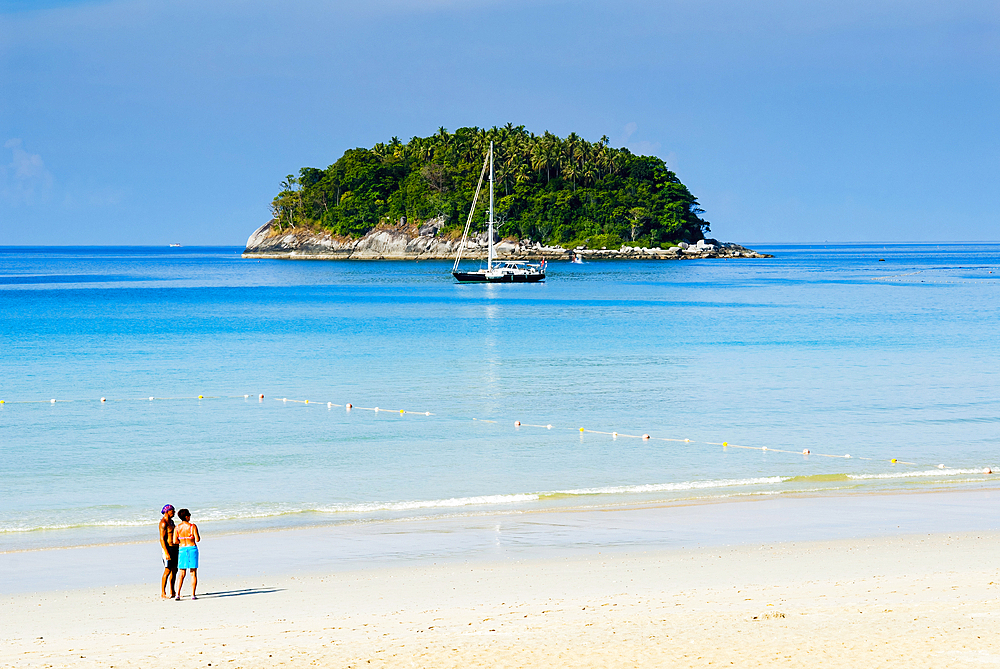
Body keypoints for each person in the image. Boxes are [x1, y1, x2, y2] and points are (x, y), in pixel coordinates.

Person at [174, 508, 201, 600]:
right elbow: (197, 539)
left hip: (182, 548)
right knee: (193, 572)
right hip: (192, 548)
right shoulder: (192, 526)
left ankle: (177, 594)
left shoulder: (177, 527)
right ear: (187, 516)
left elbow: (175, 541)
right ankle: (193, 594)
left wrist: (182, 539)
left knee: (182, 573)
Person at [159, 504, 178, 599]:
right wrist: (166, 552)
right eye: (172, 511)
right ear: (167, 511)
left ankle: (173, 591)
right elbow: (162, 539)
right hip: (168, 548)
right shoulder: (163, 523)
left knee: (175, 570)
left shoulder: (171, 522)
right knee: (167, 570)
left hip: (175, 548)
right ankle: (163, 592)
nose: (174, 512)